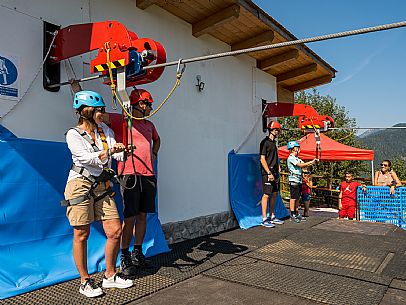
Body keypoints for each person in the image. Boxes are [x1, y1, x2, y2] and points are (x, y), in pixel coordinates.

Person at [64, 89, 133, 297]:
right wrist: (111, 152)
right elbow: (88, 159)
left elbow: (115, 156)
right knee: (81, 234)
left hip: (102, 185)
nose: (102, 114)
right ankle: (85, 281)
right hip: (80, 185)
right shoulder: (73, 135)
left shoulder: (105, 131)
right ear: (86, 112)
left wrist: (122, 150)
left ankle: (110, 275)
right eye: (99, 110)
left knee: (115, 231)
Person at [119, 88, 160, 275]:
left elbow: (157, 140)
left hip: (148, 175)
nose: (151, 108)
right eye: (149, 104)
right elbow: (98, 116)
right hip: (130, 174)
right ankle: (124, 256)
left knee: (143, 216)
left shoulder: (150, 125)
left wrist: (154, 152)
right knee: (129, 218)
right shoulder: (123, 121)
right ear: (141, 105)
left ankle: (137, 253)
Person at [259, 121, 284, 228]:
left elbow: (273, 158)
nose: (277, 132)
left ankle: (272, 216)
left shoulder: (274, 143)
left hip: (275, 173)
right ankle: (264, 219)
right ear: (271, 130)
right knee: (266, 194)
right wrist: (269, 172)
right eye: (276, 130)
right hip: (267, 173)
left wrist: (277, 167)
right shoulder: (264, 142)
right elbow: (262, 159)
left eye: (278, 130)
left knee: (274, 194)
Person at [286, 141, 317, 222]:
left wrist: (312, 162)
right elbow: (301, 165)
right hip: (293, 180)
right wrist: (311, 162)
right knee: (293, 198)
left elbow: (304, 165)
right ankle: (292, 213)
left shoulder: (297, 158)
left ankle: (296, 213)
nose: (299, 150)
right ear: (293, 149)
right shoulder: (291, 158)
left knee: (297, 198)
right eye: (297, 148)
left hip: (298, 180)